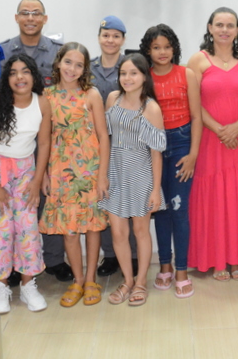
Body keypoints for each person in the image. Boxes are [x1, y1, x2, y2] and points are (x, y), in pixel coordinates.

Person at [0, 0, 71, 283]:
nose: (30, 18)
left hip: (43, 136)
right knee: (4, 219)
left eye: (36, 13)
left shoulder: (58, 52)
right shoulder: (0, 51)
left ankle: (51, 261)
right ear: (16, 17)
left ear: (44, 18)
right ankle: (10, 270)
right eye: (25, 13)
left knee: (40, 207)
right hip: (5, 148)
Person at [187, 7, 238, 281]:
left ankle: (237, 258)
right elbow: (192, 102)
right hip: (210, 138)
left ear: (237, 30)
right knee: (214, 196)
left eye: (230, 25)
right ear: (210, 28)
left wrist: (237, 127)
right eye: (219, 24)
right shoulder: (198, 60)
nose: (224, 30)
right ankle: (215, 258)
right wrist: (219, 129)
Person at [0, 54, 51, 314]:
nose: (20, 77)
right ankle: (1, 286)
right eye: (13, 72)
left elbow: (44, 143)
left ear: (33, 75)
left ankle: (28, 285)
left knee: (28, 228)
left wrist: (37, 180)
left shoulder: (42, 103)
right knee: (0, 230)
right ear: (7, 78)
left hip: (26, 171)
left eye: (25, 71)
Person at [39, 42, 110, 308]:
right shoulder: (47, 96)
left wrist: (102, 175)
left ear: (85, 69)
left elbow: (103, 136)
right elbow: (44, 139)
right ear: (58, 63)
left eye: (79, 65)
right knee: (69, 230)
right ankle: (77, 280)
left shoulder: (91, 94)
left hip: (89, 171)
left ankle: (91, 279)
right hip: (60, 172)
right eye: (68, 62)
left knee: (92, 227)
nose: (72, 68)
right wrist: (44, 174)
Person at [140, 24, 203, 299]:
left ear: (174, 48)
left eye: (167, 47)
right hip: (152, 145)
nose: (162, 52)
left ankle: (181, 270)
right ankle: (164, 265)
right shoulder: (143, 77)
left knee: (179, 208)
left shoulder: (186, 74)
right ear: (148, 51)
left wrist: (193, 155)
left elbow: (197, 117)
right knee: (161, 208)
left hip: (181, 144)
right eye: (156, 47)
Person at [100, 54, 167, 306]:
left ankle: (141, 282)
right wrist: (102, 175)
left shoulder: (151, 108)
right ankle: (127, 280)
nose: (127, 78)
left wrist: (155, 190)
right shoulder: (112, 99)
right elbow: (106, 139)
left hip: (141, 173)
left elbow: (156, 154)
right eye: (123, 73)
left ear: (144, 76)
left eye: (133, 73)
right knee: (118, 232)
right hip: (115, 171)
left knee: (140, 230)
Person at [90, 15, 139, 278]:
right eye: (106, 35)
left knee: (130, 199)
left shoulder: (131, 66)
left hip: (126, 145)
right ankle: (110, 255)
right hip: (94, 146)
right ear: (99, 38)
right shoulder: (87, 68)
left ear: (123, 39)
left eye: (116, 36)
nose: (110, 40)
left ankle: (132, 255)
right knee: (106, 200)